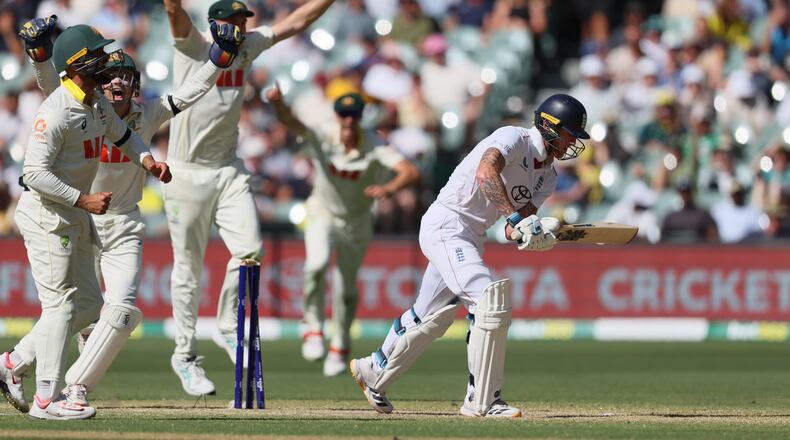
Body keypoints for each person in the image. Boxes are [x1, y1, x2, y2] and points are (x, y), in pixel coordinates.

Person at [0, 15, 242, 415]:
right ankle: (29, 379)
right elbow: (53, 88)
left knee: (117, 309)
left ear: (135, 85)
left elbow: (186, 95)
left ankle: (71, 386)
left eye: (125, 77)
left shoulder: (143, 113)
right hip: (79, 212)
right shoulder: (81, 102)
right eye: (111, 75)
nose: (117, 83)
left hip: (121, 222)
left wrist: (218, 59)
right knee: (67, 307)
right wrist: (41, 54)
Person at [350, 94, 590, 417]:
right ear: (549, 126)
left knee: (428, 316)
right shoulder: (513, 138)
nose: (573, 142)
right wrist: (518, 220)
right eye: (570, 133)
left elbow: (512, 227)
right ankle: (483, 400)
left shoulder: (547, 177)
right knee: (489, 300)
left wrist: (534, 234)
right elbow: (486, 173)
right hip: (448, 223)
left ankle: (373, 370)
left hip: (471, 237)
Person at [162, 0, 336, 396]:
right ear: (217, 23)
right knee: (187, 269)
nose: (242, 27)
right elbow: (174, 13)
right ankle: (185, 355)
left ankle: (226, 323)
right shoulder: (192, 45)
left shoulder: (248, 47)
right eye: (235, 21)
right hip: (185, 171)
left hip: (228, 168)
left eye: (245, 21)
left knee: (250, 250)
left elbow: (297, 20)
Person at [0, 24, 171, 420]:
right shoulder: (55, 112)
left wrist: (149, 162)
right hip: (47, 215)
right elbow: (34, 174)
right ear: (78, 64)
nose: (106, 62)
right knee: (60, 305)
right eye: (97, 55)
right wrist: (84, 198)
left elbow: (125, 136)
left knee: (90, 304)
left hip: (74, 215)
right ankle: (46, 400)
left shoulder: (96, 102)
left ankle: (11, 364)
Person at [265, 86, 419, 376]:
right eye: (344, 115)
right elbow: (292, 124)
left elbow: (410, 171)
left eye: (354, 115)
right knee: (316, 265)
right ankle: (312, 327)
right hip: (322, 211)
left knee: (346, 287)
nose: (349, 121)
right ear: (337, 116)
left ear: (361, 117)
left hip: (357, 220)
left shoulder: (374, 144)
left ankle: (340, 344)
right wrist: (278, 104)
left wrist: (388, 187)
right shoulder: (324, 134)